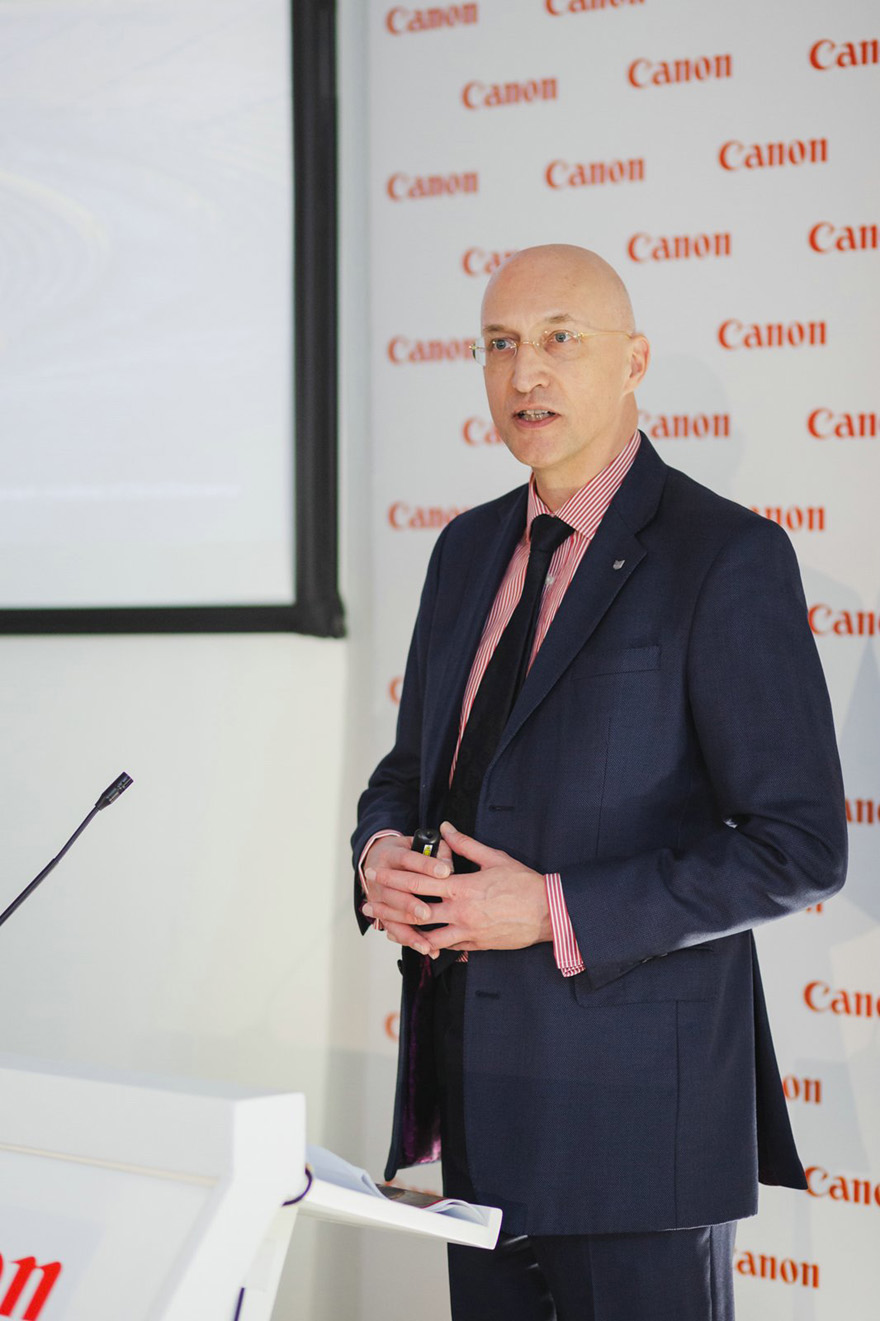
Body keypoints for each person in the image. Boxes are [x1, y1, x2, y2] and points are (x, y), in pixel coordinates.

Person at [351, 245, 846, 1320]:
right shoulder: (464, 550)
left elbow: (799, 845)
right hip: (476, 1103)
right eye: (499, 345)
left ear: (634, 360)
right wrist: (380, 851)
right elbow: (411, 772)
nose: (525, 373)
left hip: (638, 1128)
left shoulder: (726, 554)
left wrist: (551, 908)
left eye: (560, 339)